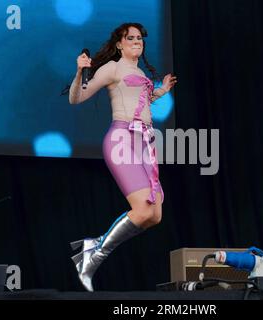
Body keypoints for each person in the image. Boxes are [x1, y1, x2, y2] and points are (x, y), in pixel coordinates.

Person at [68, 22, 177, 291]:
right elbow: (77, 98)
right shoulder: (112, 68)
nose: (137, 41)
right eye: (131, 38)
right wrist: (80, 71)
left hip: (143, 143)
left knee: (155, 214)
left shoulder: (138, 71)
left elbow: (143, 99)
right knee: (142, 209)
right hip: (121, 140)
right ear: (119, 44)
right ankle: (93, 256)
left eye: (140, 38)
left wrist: (162, 90)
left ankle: (92, 247)